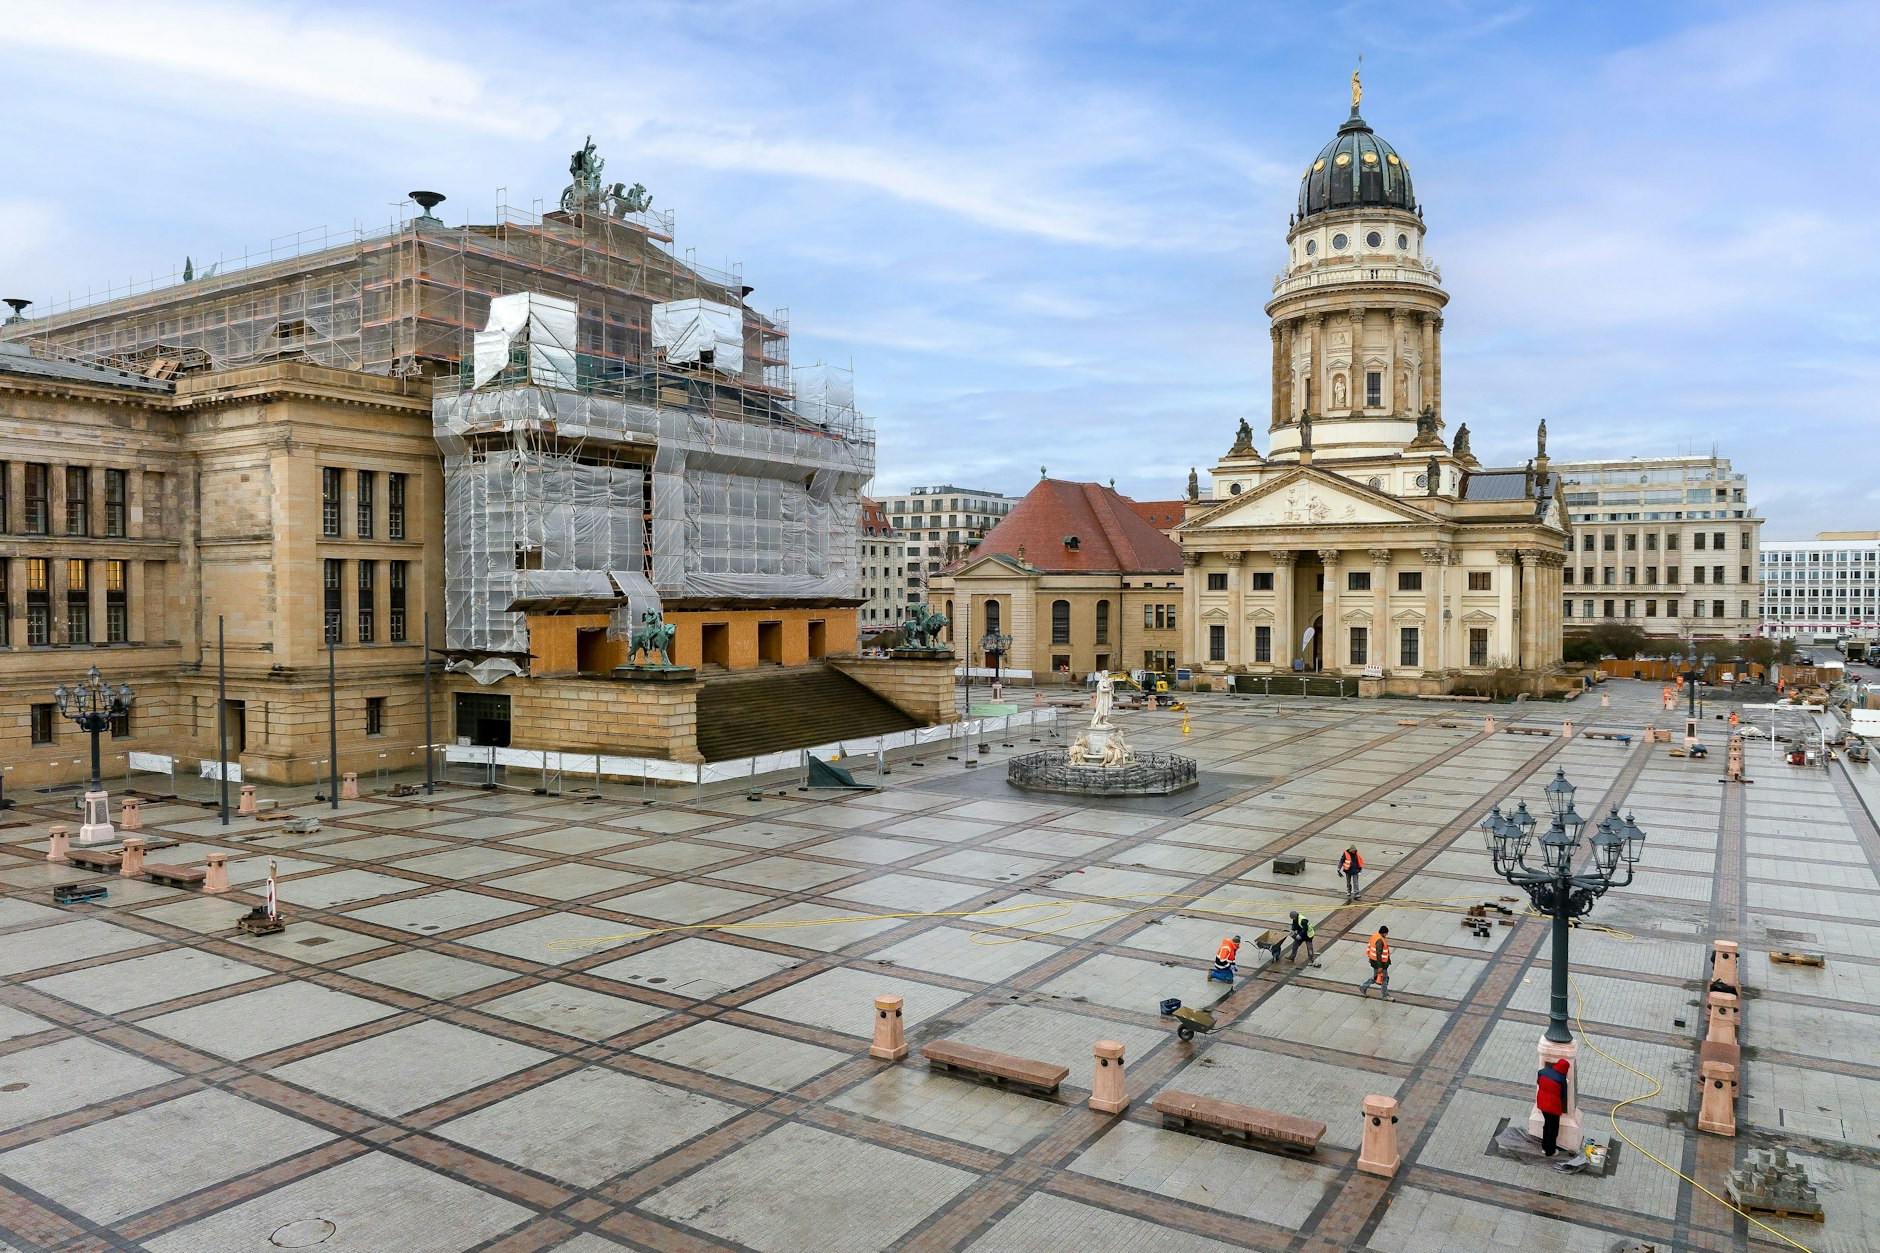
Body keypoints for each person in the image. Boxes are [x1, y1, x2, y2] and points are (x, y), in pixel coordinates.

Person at [1535, 1057, 1571, 1155]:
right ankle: (1550, 1151)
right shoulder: (1561, 1079)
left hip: (1542, 1103)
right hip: (1553, 1107)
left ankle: (1544, 1146)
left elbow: (1538, 1082)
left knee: (1547, 1125)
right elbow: (1563, 1094)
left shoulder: (1543, 1071)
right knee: (1553, 1128)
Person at [1358, 925, 1391, 998]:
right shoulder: (1379, 941)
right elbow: (1378, 954)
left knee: (1376, 977)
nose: (1387, 935)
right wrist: (1380, 967)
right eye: (1386, 933)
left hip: (1374, 961)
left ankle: (1363, 987)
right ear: (1383, 933)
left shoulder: (1375, 935)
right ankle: (1385, 995)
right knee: (1384, 978)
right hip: (1380, 964)